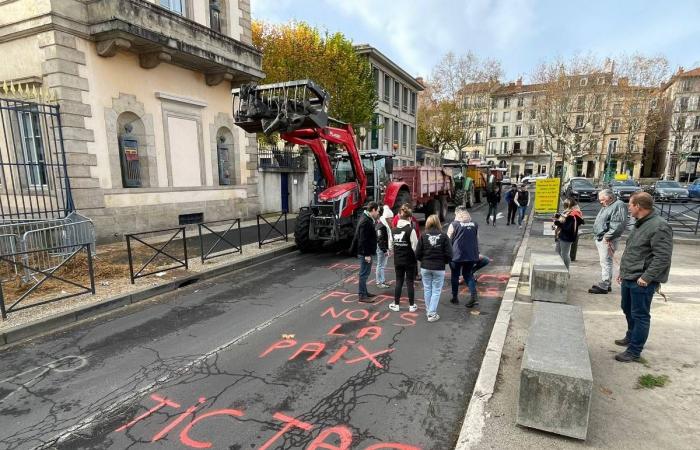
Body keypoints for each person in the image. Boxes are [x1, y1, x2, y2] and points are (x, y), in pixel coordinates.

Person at [614, 192, 673, 362]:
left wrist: (647, 277)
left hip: (641, 280)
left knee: (640, 315)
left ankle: (634, 351)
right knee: (627, 308)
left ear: (638, 206)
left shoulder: (659, 226)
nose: (628, 208)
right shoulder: (640, 224)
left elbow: (662, 257)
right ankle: (631, 337)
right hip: (629, 275)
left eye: (630, 205)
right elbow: (634, 250)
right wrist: (623, 273)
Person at [589, 189, 628, 294]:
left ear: (609, 198)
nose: (600, 202)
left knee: (606, 261)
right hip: (603, 237)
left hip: (608, 238)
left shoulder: (618, 205)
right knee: (605, 261)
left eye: (602, 200)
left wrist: (608, 236)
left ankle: (605, 284)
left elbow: (619, 224)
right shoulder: (609, 205)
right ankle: (606, 283)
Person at [415, 214, 452, 322]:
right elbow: (449, 254)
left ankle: (429, 311)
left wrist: (424, 261)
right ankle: (431, 313)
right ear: (438, 223)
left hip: (425, 267)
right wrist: (444, 262)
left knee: (427, 289)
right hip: (439, 267)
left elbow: (417, 253)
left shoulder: (423, 235)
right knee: (436, 290)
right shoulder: (444, 236)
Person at [447, 206, 480, 308]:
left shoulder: (454, 224)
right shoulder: (474, 224)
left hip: (456, 255)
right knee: (468, 275)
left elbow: (448, 240)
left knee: (455, 275)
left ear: (457, 214)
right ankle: (474, 296)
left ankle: (455, 297)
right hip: (471, 255)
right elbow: (477, 239)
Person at [389, 204, 419, 312]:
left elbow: (390, 246)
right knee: (409, 282)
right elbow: (415, 246)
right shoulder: (411, 230)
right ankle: (411, 305)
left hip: (398, 260)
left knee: (399, 281)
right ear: (409, 218)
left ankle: (396, 304)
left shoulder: (393, 230)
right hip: (409, 260)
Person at [350, 201, 380, 302]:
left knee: (365, 273)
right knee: (364, 274)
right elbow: (363, 239)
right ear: (373, 210)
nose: (378, 213)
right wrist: (367, 254)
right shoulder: (366, 221)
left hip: (366, 251)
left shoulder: (366, 218)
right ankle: (362, 295)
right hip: (365, 253)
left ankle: (364, 292)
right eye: (378, 211)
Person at [552, 198, 584, 270]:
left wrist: (557, 223)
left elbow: (569, 227)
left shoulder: (574, 215)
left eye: (566, 206)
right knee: (557, 253)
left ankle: (566, 270)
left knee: (564, 254)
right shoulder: (569, 212)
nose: (565, 208)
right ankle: (558, 268)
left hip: (566, 237)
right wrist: (558, 216)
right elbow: (564, 218)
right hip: (561, 235)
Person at [391, 205, 421, 281]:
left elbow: (417, 229)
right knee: (407, 281)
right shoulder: (396, 219)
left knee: (401, 280)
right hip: (405, 250)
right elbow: (394, 228)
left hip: (401, 254)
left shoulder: (413, 219)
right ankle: (412, 275)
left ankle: (415, 274)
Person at [375, 205, 394, 289]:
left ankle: (382, 280)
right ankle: (379, 282)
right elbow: (380, 240)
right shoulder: (381, 226)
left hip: (383, 248)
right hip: (381, 248)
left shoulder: (384, 225)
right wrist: (384, 250)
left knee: (382, 265)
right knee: (380, 265)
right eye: (390, 218)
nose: (391, 219)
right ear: (386, 218)